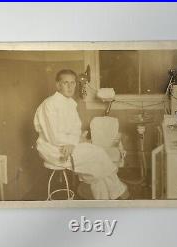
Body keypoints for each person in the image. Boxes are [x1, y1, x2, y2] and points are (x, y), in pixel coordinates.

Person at [34, 69, 129, 199]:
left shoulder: (69, 103)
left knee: (96, 165)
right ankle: (121, 194)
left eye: (72, 83)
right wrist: (73, 142)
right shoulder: (50, 104)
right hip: (53, 148)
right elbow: (53, 136)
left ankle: (105, 200)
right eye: (65, 83)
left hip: (69, 145)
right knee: (98, 156)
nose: (70, 86)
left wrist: (73, 142)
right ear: (58, 85)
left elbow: (76, 128)